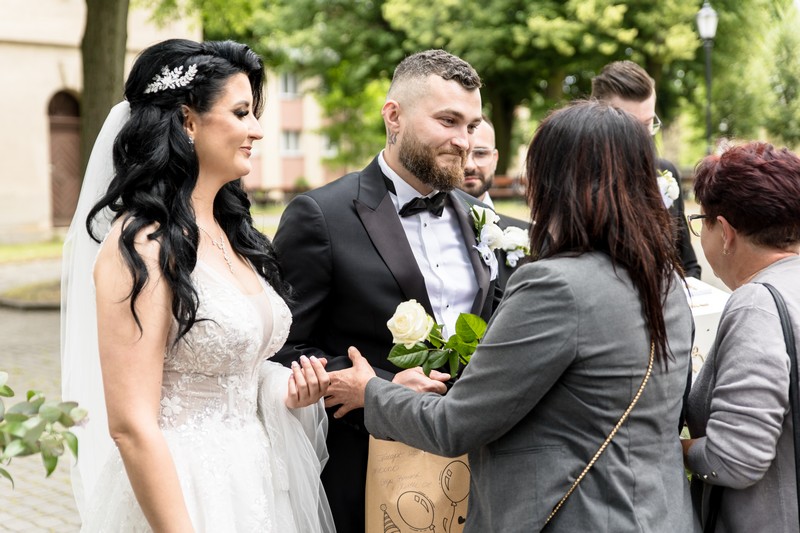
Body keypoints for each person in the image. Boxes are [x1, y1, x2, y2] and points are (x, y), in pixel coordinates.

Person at [325, 100, 700, 532]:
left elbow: (455, 425)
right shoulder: (666, 281)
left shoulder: (556, 286)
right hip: (663, 515)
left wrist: (370, 392)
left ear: (554, 183)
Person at [60, 39, 334, 532]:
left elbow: (236, 372)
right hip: (184, 490)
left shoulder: (232, 232)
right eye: (242, 112)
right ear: (188, 122)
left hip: (254, 480)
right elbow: (130, 425)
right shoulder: (142, 245)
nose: (257, 129)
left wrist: (286, 390)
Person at [272, 49, 517, 533]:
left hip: (479, 469)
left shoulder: (483, 219)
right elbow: (280, 347)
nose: (463, 141)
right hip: (366, 472)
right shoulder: (321, 216)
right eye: (448, 120)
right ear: (394, 116)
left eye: (471, 126)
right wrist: (378, 388)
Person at [682, 142, 800, 532]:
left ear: (726, 232)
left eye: (702, 222)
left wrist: (674, 451)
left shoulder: (757, 304)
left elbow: (734, 459)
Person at [591, 60, 702, 279]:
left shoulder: (666, 173)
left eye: (647, 124)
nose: (642, 137)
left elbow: (687, 263)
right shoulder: (579, 181)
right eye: (629, 126)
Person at [459, 115, 527, 231]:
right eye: (460, 153)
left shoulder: (523, 233)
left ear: (495, 159)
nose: (469, 166)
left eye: (480, 153)